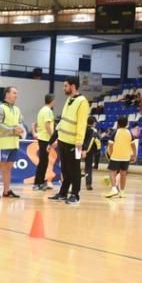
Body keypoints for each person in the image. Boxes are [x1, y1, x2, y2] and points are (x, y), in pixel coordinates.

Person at [48, 77, 89, 205]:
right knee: (65, 169)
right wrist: (53, 140)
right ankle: (63, 193)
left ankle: (75, 195)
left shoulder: (82, 102)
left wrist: (79, 141)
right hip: (63, 141)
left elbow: (82, 123)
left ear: (72, 86)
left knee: (75, 170)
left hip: (73, 142)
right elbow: (63, 121)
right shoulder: (69, 100)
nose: (63, 88)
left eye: (65, 86)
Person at [0, 86, 26, 199]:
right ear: (7, 94)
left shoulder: (17, 109)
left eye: (17, 93)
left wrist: (21, 130)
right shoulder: (0, 108)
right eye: (14, 93)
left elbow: (20, 123)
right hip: (3, 143)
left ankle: (7, 191)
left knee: (8, 168)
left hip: (14, 143)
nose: (16, 95)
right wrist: (12, 130)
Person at [104, 117, 135, 199]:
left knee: (112, 172)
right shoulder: (129, 132)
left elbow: (110, 145)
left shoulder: (115, 132)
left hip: (115, 156)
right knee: (123, 174)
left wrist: (110, 154)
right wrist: (134, 154)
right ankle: (122, 192)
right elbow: (133, 145)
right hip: (126, 157)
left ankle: (114, 188)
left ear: (117, 123)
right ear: (127, 124)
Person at [32, 93, 55, 190]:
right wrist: (54, 137)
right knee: (43, 162)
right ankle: (38, 183)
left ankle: (39, 182)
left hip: (42, 138)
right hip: (45, 139)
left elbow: (37, 124)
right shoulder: (48, 111)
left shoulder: (41, 110)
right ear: (52, 100)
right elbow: (47, 125)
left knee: (43, 161)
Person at [82, 115, 100, 191]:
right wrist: (85, 150)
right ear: (94, 123)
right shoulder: (94, 131)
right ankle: (88, 184)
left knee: (74, 166)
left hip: (78, 149)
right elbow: (92, 141)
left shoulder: (82, 128)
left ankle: (72, 182)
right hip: (88, 151)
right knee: (88, 168)